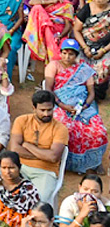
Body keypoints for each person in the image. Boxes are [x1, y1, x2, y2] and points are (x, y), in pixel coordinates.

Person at [44, 37, 108, 175]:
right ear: (60, 53)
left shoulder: (84, 69)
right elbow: (49, 89)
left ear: (76, 55)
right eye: (65, 53)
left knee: (98, 131)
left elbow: (91, 93)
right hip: (60, 104)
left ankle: (95, 163)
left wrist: (84, 106)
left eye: (71, 54)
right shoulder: (53, 66)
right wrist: (62, 105)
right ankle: (65, 163)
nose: (67, 57)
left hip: (82, 106)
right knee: (68, 128)